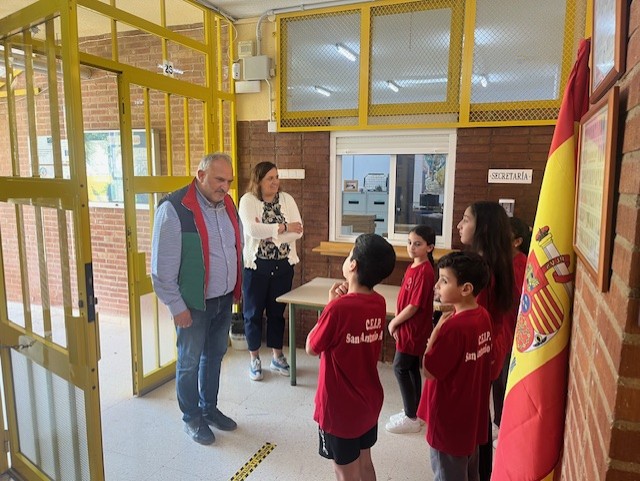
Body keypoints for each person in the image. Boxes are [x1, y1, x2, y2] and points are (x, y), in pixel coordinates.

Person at [151, 152, 242, 445]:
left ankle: (209, 409)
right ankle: (191, 417)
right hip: (193, 304)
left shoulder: (227, 204)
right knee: (189, 362)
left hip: (223, 300)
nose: (225, 187)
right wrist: (177, 307)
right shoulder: (174, 209)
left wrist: (235, 289)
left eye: (229, 181)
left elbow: (234, 246)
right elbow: (161, 270)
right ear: (200, 175)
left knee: (214, 357)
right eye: (219, 180)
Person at [306, 234, 396, 481]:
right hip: (368, 402)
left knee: (345, 472)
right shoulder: (378, 302)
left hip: (339, 409)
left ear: (353, 265)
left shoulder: (337, 309)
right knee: (365, 463)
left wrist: (329, 306)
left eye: (349, 256)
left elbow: (311, 347)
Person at [417, 251, 493, 481]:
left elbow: (429, 370)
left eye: (444, 281)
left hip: (448, 420)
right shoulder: (483, 316)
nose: (436, 286)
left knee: (448, 472)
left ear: (466, 288)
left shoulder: (453, 327)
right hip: (470, 416)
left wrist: (436, 331)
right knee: (469, 471)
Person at [457, 201, 515, 481]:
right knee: (479, 417)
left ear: (483, 228)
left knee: (470, 420)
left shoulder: (481, 271)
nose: (459, 225)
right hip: (491, 349)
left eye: (466, 220)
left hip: (479, 353)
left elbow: (469, 320)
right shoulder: (497, 262)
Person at [239, 162, 303, 381]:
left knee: (277, 313)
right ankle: (254, 358)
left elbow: (298, 231)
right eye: (270, 178)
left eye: (277, 177)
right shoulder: (248, 200)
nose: (275, 182)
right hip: (256, 266)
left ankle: (277, 356)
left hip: (283, 266)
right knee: (253, 314)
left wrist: (270, 234)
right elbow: (251, 229)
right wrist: (283, 227)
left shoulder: (286, 199)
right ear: (258, 181)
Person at [385, 225, 436, 434]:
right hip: (406, 325)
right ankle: (415, 411)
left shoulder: (425, 271)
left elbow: (414, 306)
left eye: (417, 244)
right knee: (412, 366)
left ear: (429, 247)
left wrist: (394, 322)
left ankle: (410, 416)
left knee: (400, 367)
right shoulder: (412, 266)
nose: (411, 247)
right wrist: (398, 322)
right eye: (409, 243)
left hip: (413, 328)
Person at [492, 216, 531, 433]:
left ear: (517, 241)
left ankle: (505, 425)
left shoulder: (521, 264)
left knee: (506, 378)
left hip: (512, 330)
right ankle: (499, 421)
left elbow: (517, 300)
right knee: (498, 378)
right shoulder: (502, 261)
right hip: (500, 329)